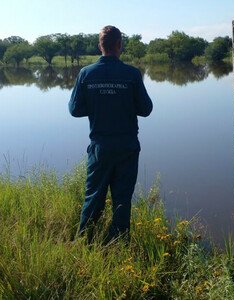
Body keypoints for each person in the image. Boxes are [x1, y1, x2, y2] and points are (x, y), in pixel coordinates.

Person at [69, 25, 152, 241]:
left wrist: (98, 104)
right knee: (122, 199)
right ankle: (119, 244)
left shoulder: (86, 74)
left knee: (93, 196)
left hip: (100, 148)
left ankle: (84, 242)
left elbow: (75, 110)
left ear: (100, 47)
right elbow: (146, 110)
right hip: (127, 148)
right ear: (119, 45)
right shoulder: (132, 74)